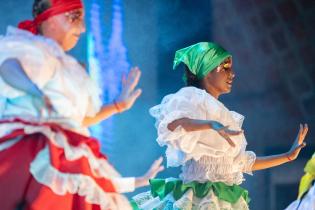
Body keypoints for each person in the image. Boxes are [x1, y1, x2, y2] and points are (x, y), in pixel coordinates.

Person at [0, 0, 163, 209]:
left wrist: (117, 105)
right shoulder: (35, 49)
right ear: (49, 18)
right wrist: (36, 92)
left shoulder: (69, 66)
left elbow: (79, 119)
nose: (83, 28)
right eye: (74, 17)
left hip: (67, 151)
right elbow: (9, 67)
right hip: (38, 150)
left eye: (82, 19)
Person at [131, 42, 308, 210]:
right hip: (199, 197)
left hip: (223, 199)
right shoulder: (193, 97)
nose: (232, 74)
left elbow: (240, 163)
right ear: (207, 72)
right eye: (225, 68)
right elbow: (173, 124)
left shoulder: (226, 116)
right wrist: (208, 124)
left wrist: (287, 157)